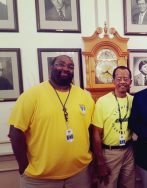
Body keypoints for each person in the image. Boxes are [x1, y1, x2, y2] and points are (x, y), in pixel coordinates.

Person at [8, 55, 95, 188]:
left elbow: (90, 130)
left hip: (80, 174)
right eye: (61, 64)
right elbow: (15, 132)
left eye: (70, 67)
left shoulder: (85, 96)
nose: (65, 69)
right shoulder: (31, 96)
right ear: (51, 67)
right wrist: (23, 166)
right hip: (41, 179)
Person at [92, 66, 135, 188]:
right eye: (119, 78)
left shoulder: (133, 100)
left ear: (130, 82)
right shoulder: (102, 102)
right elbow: (96, 134)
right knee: (107, 185)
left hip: (129, 151)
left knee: (128, 185)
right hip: (109, 154)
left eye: (126, 79)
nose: (122, 81)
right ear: (113, 80)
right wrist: (100, 162)